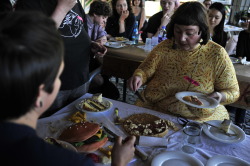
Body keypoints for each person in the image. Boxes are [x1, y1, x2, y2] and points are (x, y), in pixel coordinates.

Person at [0, 11, 136, 166]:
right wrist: (119, 162)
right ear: (40, 94)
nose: (59, 81)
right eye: (58, 77)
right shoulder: (67, 161)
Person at [128, 1, 240, 122]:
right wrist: (139, 76)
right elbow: (145, 70)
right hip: (157, 107)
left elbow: (233, 91)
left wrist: (221, 96)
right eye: (178, 31)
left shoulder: (216, 54)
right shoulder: (165, 46)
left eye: (189, 33)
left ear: (202, 30)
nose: (181, 38)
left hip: (196, 117)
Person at [16, 0, 107, 117]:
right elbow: (34, 45)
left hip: (80, 77)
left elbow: (80, 30)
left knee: (78, 123)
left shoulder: (73, 2)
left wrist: (91, 45)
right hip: (54, 85)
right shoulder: (29, 4)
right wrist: (62, 9)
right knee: (52, 129)